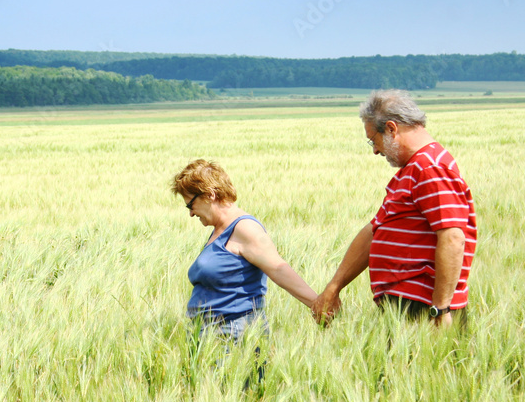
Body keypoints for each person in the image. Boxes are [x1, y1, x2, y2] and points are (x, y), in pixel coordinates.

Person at [311, 90, 477, 328]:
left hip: (423, 310)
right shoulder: (412, 170)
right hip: (406, 307)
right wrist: (334, 286)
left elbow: (452, 238)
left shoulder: (430, 168)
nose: (375, 150)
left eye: (373, 140)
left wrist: (440, 309)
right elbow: (374, 230)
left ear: (391, 128)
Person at [172, 159, 317, 380]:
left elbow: (279, 270)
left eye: (190, 204)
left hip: (233, 335)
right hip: (211, 336)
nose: (191, 213)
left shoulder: (244, 228)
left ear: (210, 194)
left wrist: (319, 304)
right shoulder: (220, 230)